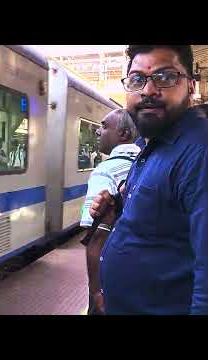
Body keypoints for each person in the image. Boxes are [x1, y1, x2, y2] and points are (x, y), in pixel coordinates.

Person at [90, 45, 208, 314]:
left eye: (165, 77)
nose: (147, 90)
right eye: (137, 79)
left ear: (191, 86)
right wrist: (118, 210)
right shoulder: (155, 145)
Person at [80, 109, 140, 315]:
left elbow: (96, 235)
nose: (98, 131)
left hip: (111, 278)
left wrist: (97, 291)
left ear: (123, 134)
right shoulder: (150, 163)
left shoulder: (105, 170)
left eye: (104, 126)